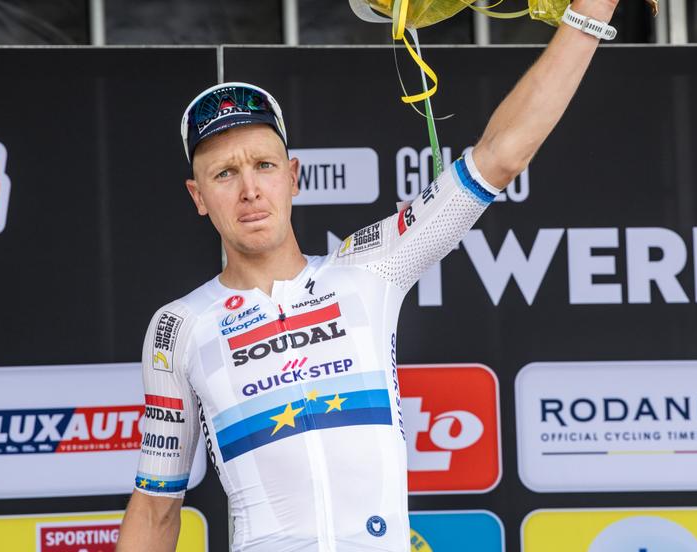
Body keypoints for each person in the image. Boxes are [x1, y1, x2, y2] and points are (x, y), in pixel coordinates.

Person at [116, 0, 620, 550]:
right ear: (198, 197)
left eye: (263, 165)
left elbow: (498, 157)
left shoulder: (367, 269)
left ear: (294, 176)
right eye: (224, 173)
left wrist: (588, 14)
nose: (250, 190)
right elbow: (156, 508)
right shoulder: (179, 327)